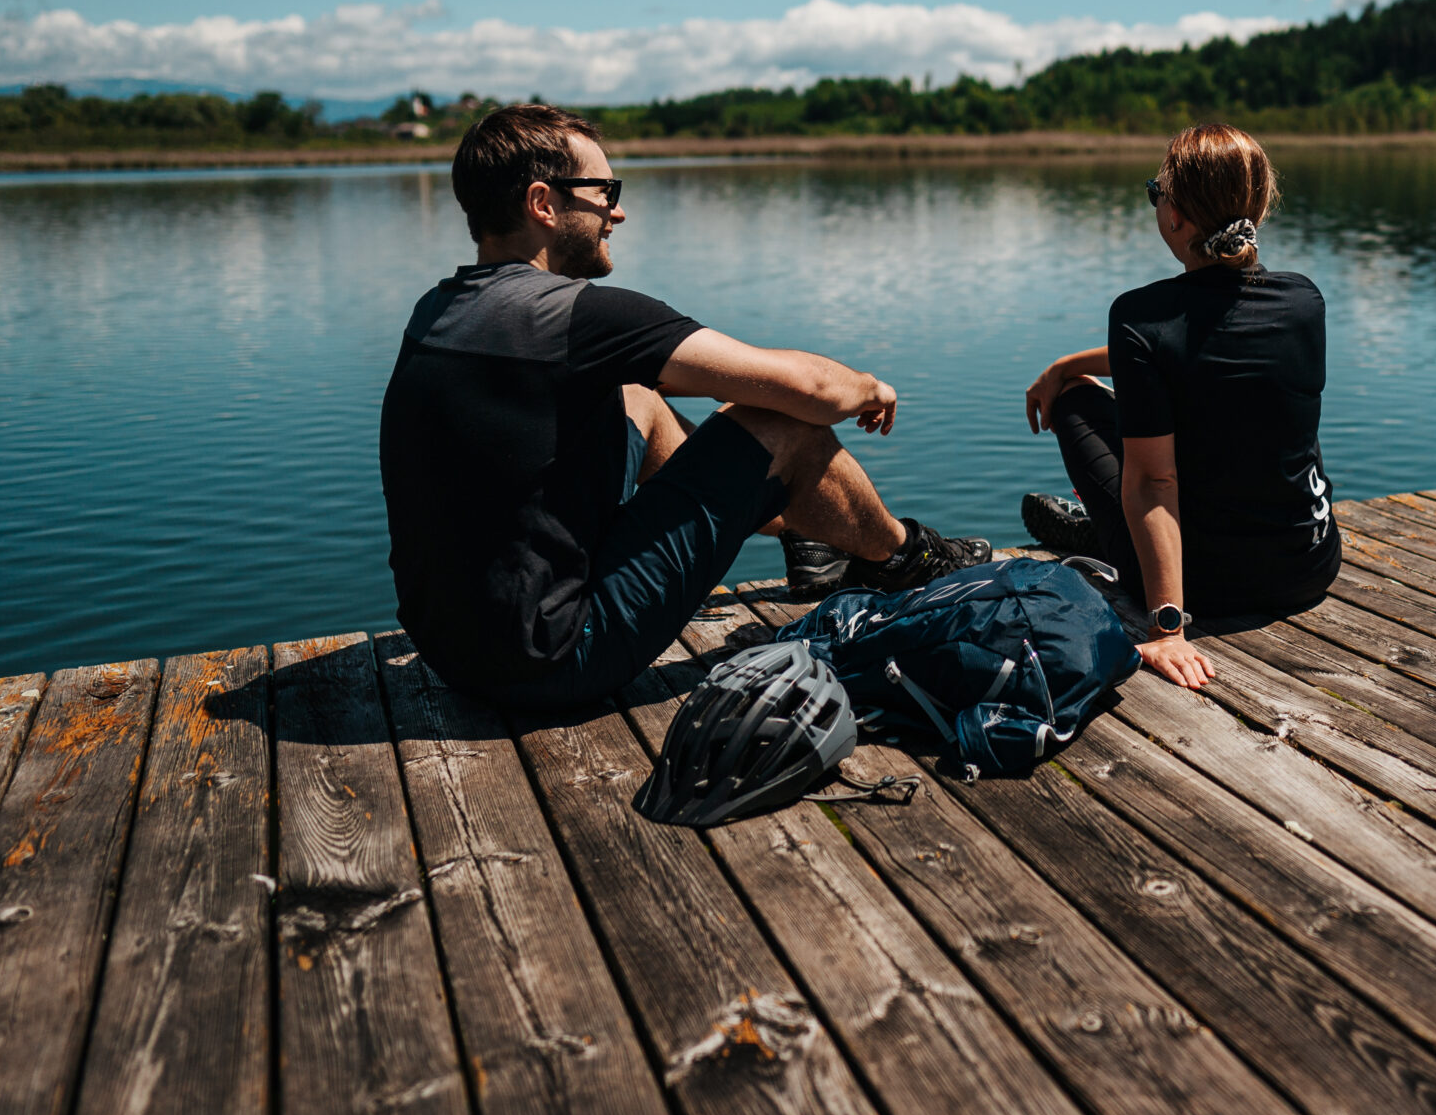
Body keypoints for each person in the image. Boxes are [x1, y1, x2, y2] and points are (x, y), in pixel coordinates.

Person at [380, 103, 990, 710]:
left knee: (636, 396)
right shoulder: (578, 317)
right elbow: (812, 393)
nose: (616, 210)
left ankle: (809, 534)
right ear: (544, 203)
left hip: (451, 651)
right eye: (603, 190)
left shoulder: (438, 308)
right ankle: (905, 557)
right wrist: (870, 386)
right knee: (782, 424)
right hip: (556, 659)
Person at [1021, 124, 1340, 690]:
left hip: (1206, 587)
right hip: (1308, 567)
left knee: (1076, 406)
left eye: (1156, 193)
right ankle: (1107, 530)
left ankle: (1107, 536)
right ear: (1261, 206)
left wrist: (1167, 625)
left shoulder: (1141, 317)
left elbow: (1152, 482)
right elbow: (1191, 342)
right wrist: (1071, 361)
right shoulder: (1302, 301)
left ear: (1174, 217)